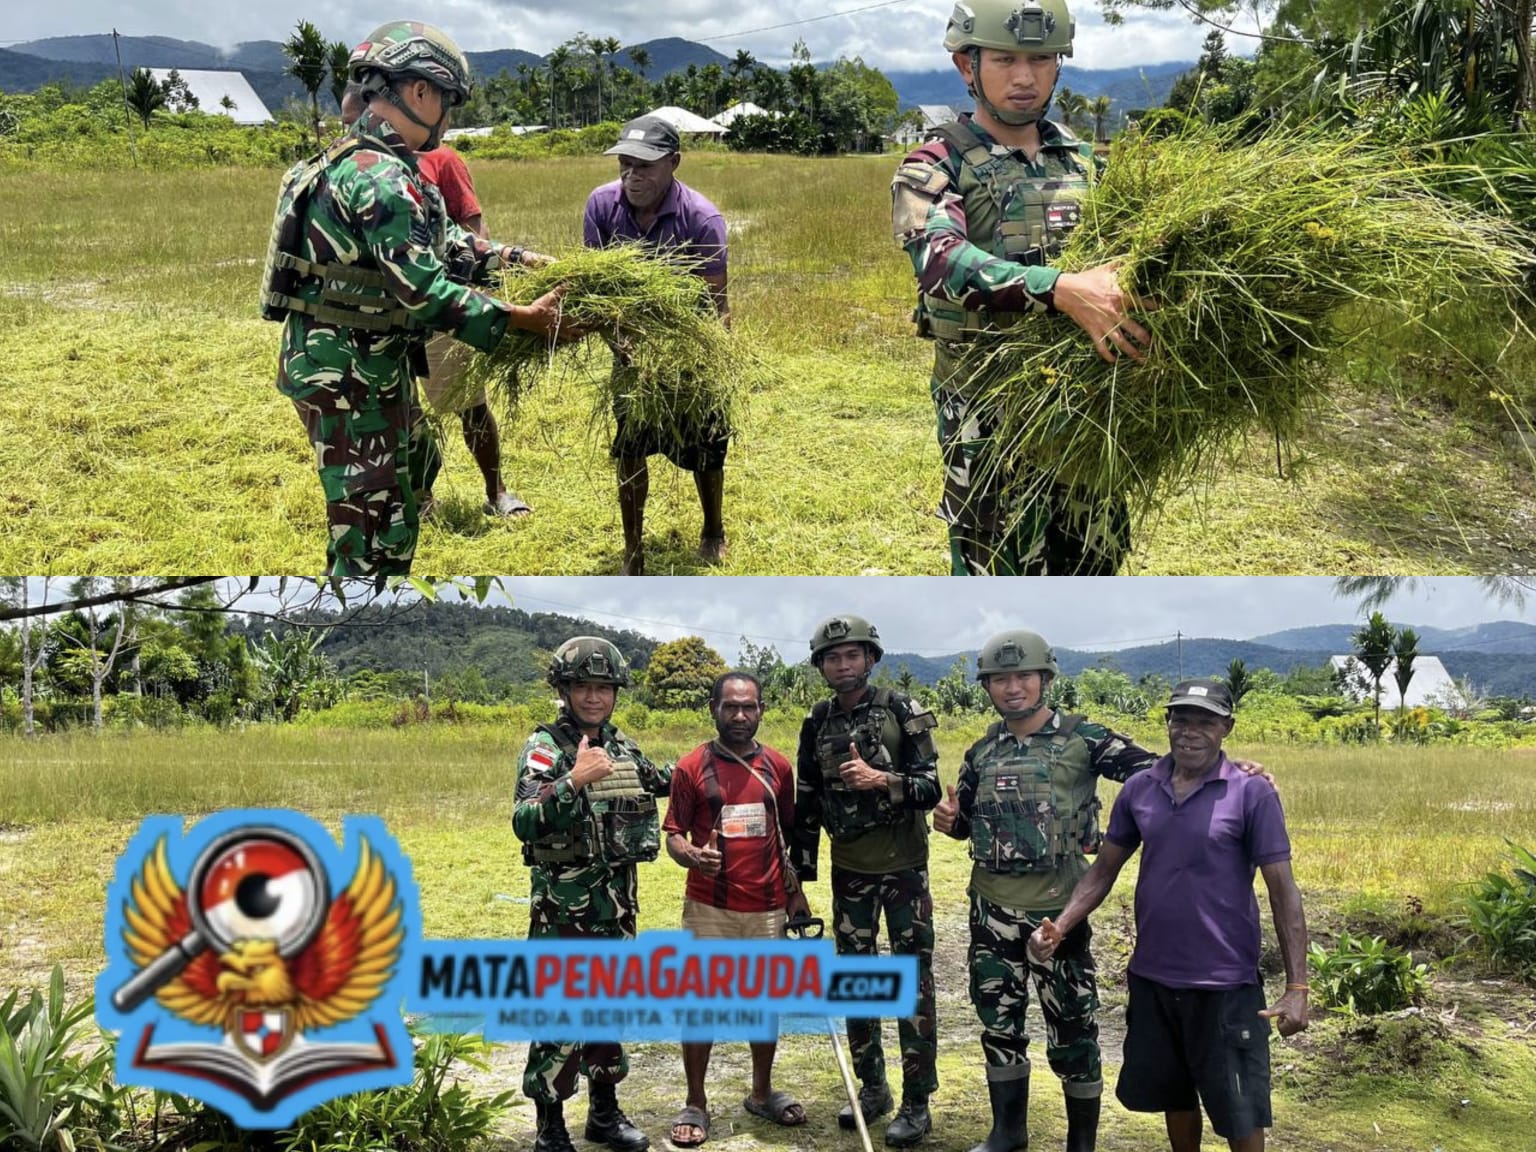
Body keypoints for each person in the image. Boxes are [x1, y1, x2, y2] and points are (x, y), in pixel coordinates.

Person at [262, 20, 572, 579]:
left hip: (356, 365)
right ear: (420, 91)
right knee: (372, 535)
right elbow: (423, 289)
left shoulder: (357, 159)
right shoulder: (380, 175)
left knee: (404, 482)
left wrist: (521, 260)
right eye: (448, 102)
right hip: (352, 379)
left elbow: (446, 242)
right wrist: (522, 318)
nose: (448, 118)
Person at [891, 0, 1152, 575]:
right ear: (967, 65)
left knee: (1093, 553)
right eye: (1005, 60)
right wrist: (1060, 288)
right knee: (996, 562)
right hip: (987, 408)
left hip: (1085, 402)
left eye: (1040, 60)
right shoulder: (936, 164)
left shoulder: (1083, 163)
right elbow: (940, 260)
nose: (1025, 77)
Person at [1029, 679, 1308, 1152]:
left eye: (1205, 722)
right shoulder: (1141, 789)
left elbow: (1283, 892)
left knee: (1240, 1109)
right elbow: (1103, 870)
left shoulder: (1251, 793)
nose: (1190, 731)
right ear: (1167, 723)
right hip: (1154, 978)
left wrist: (1297, 988)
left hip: (1225, 983)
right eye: (1181, 719)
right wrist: (1062, 925)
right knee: (1175, 1097)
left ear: (1226, 728)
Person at [931, 629, 1162, 1152]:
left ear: (1045, 679)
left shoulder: (1085, 738)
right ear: (987, 687)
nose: (1013, 688)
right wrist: (949, 820)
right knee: (998, 1023)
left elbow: (1157, 771)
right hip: (990, 911)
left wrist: (1233, 772)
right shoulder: (981, 752)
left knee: (1073, 1028)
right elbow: (965, 823)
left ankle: (1081, 1144)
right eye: (1000, 679)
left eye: (1023, 676)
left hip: (1059, 914)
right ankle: (1007, 1132)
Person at [511, 637, 672, 1152]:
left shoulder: (622, 746)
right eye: (582, 686)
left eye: (603, 687)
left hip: (617, 910)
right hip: (563, 916)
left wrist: (716, 759)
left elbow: (662, 779)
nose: (594, 697)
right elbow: (524, 819)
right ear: (564, 690)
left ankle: (604, 1114)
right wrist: (573, 780)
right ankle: (550, 1127)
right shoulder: (544, 748)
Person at [791, 615, 941, 1147]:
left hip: (903, 871)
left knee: (911, 985)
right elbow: (807, 800)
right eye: (832, 657)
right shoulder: (816, 720)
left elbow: (931, 787)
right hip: (849, 872)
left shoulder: (901, 709)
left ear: (871, 659)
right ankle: (873, 1087)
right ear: (821, 666)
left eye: (852, 655)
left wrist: (882, 780)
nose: (842, 665)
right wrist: (798, 879)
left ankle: (917, 1102)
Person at [662, 672, 812, 1146]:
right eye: (731, 706)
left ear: (761, 710)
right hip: (710, 905)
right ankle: (696, 1101)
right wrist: (691, 855)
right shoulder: (691, 767)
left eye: (749, 706)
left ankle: (761, 1093)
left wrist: (795, 893)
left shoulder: (778, 767)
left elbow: (786, 833)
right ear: (714, 709)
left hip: (767, 907)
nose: (740, 715)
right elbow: (672, 834)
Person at [583, 114, 731, 576]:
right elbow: (596, 291)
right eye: (625, 164)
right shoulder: (601, 205)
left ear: (674, 163)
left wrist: (706, 362)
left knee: (708, 443)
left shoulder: (702, 220)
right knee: (629, 444)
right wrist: (622, 344)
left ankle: (713, 530)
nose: (632, 176)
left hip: (691, 348)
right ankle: (633, 549)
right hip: (628, 346)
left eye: (644, 166)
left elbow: (716, 305)